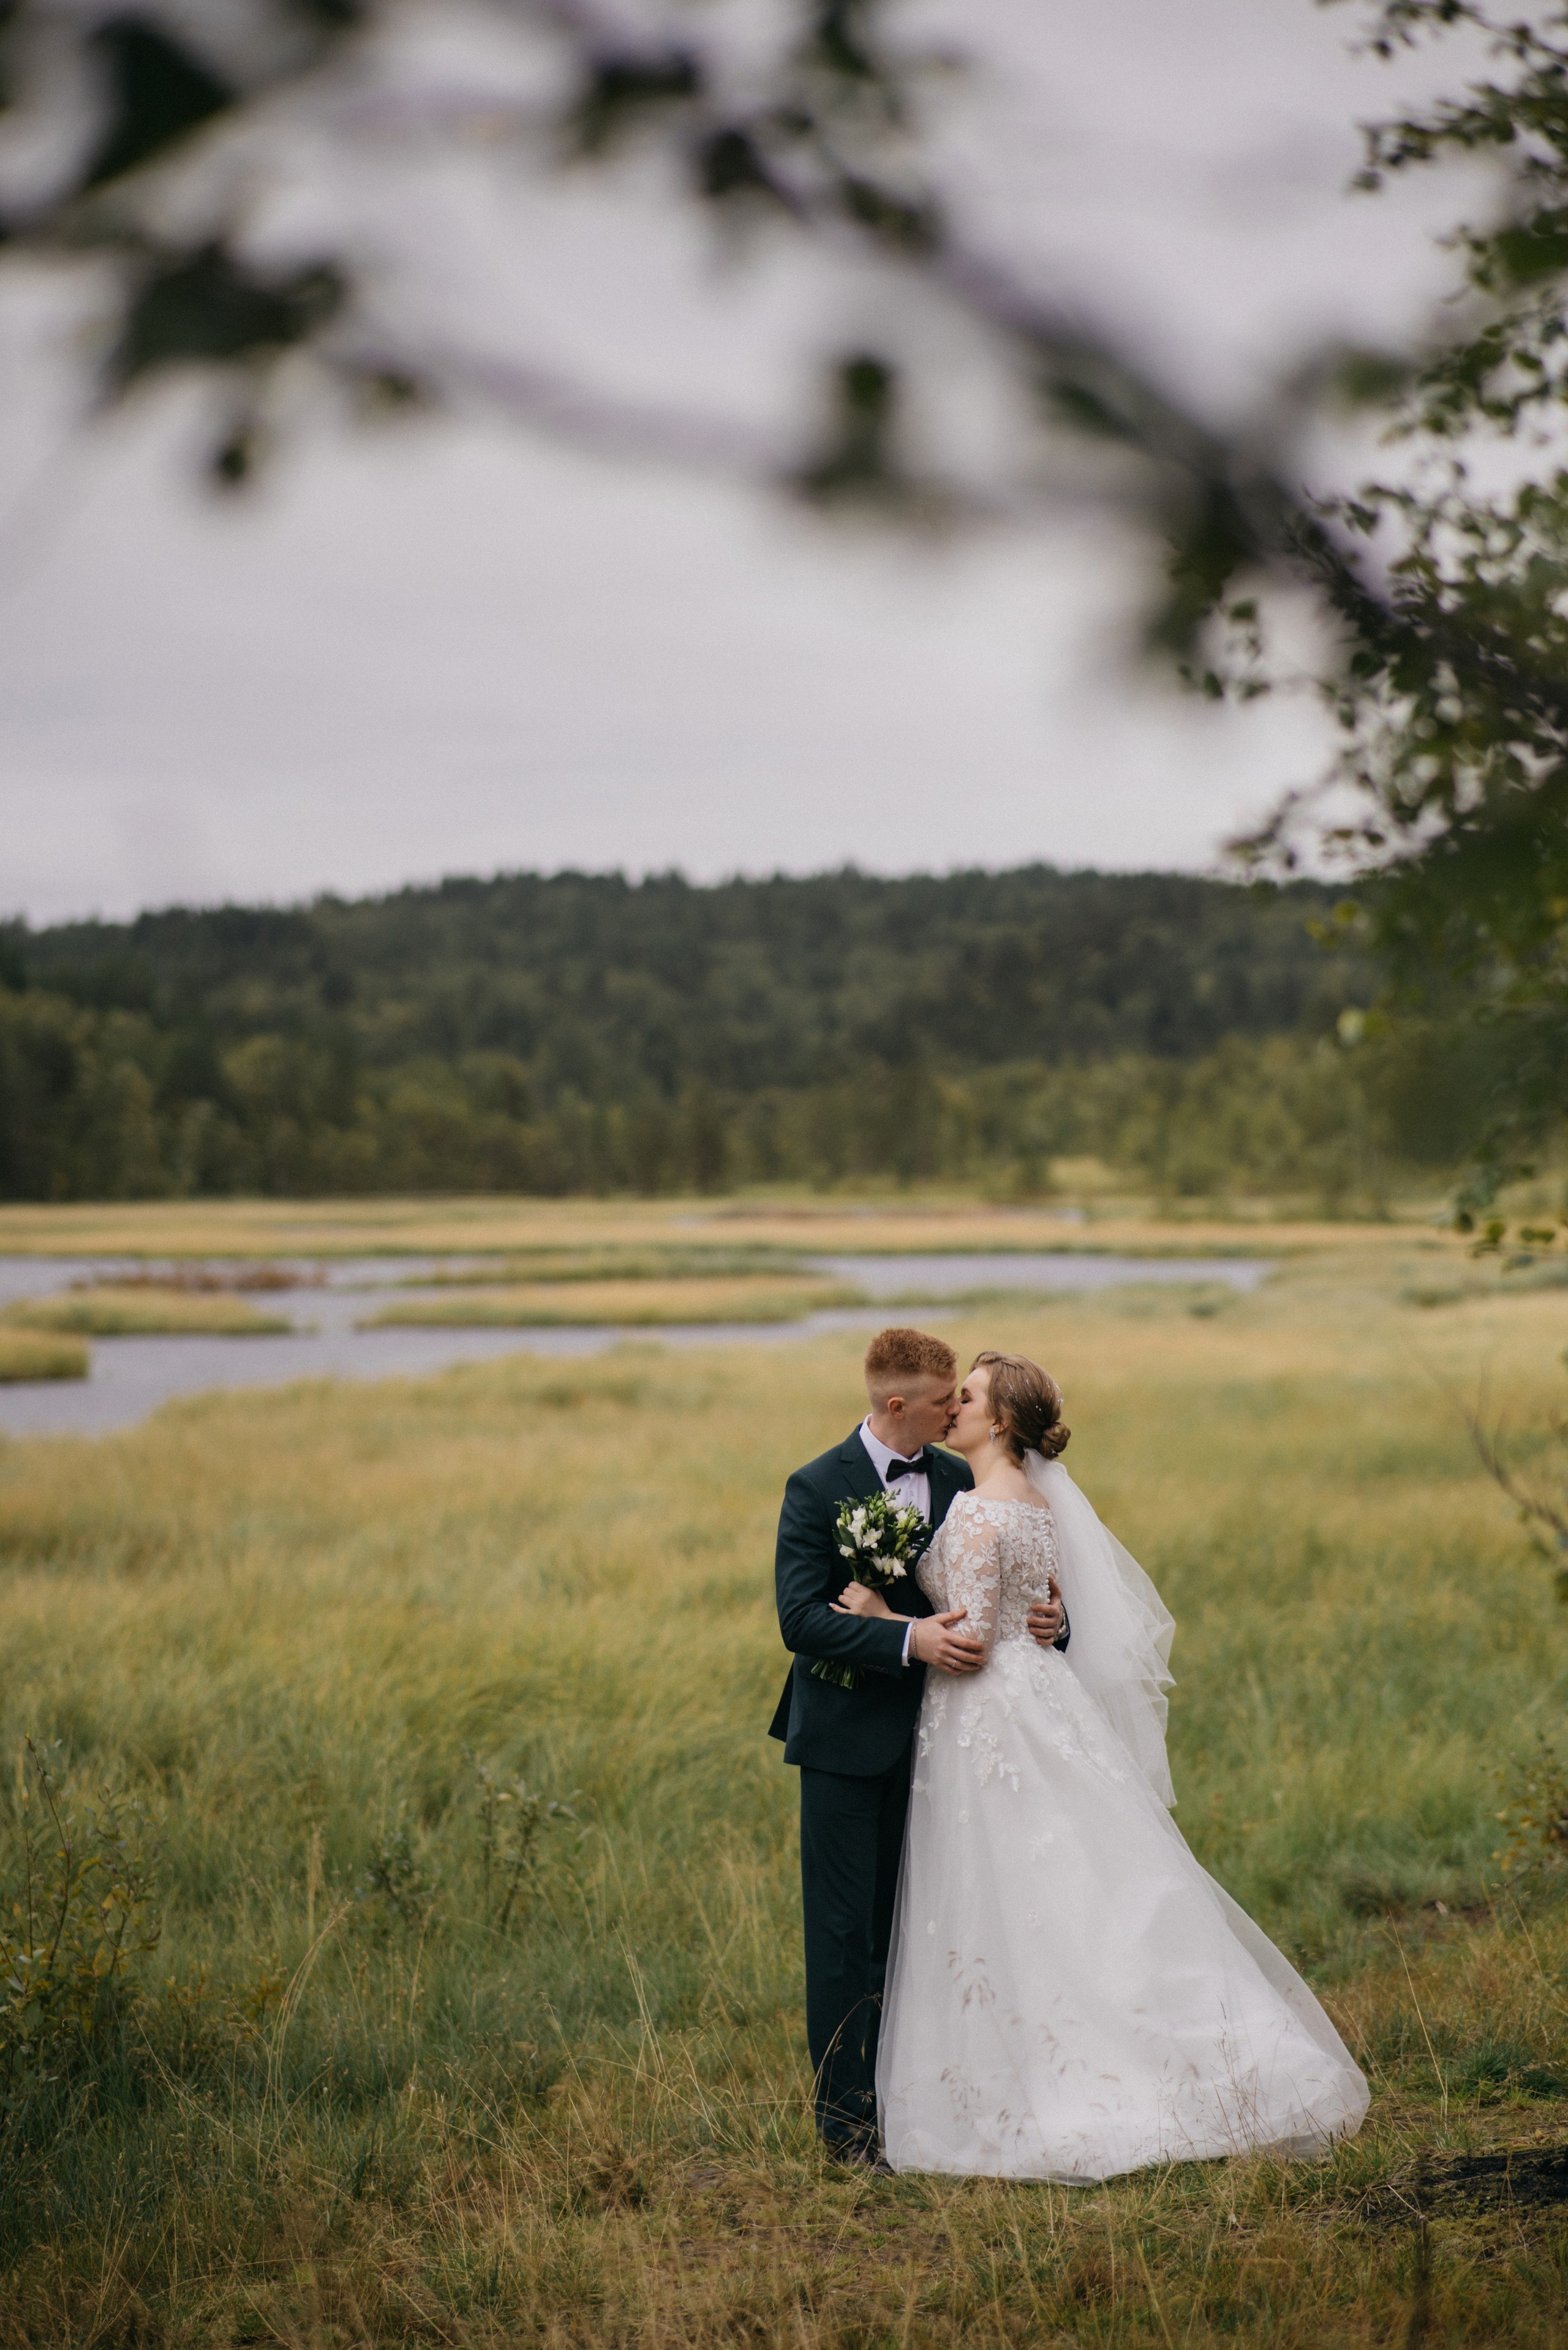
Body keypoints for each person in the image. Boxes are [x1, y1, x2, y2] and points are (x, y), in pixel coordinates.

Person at [834, 1349, 1369, 2179]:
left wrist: (879, 1611)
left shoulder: (978, 1510)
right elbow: (1034, 1608)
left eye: (967, 1398)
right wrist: (1034, 1621)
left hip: (986, 1716)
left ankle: (1034, 2089)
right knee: (1080, 1883)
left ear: (1000, 1420)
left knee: (1007, 1895)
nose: (954, 1410)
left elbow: (968, 1638)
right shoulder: (1038, 1501)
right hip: (1039, 1699)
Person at [769, 1328, 1068, 2167]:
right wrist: (908, 1641)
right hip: (845, 1738)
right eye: (945, 1400)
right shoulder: (816, 1486)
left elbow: (1016, 1582)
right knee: (844, 1936)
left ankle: (919, 2101)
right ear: (898, 1404)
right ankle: (846, 2127)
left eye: (962, 1399)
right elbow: (800, 1619)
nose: (955, 1410)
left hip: (950, 1744)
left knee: (925, 1929)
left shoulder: (959, 1474)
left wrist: (1056, 1621)